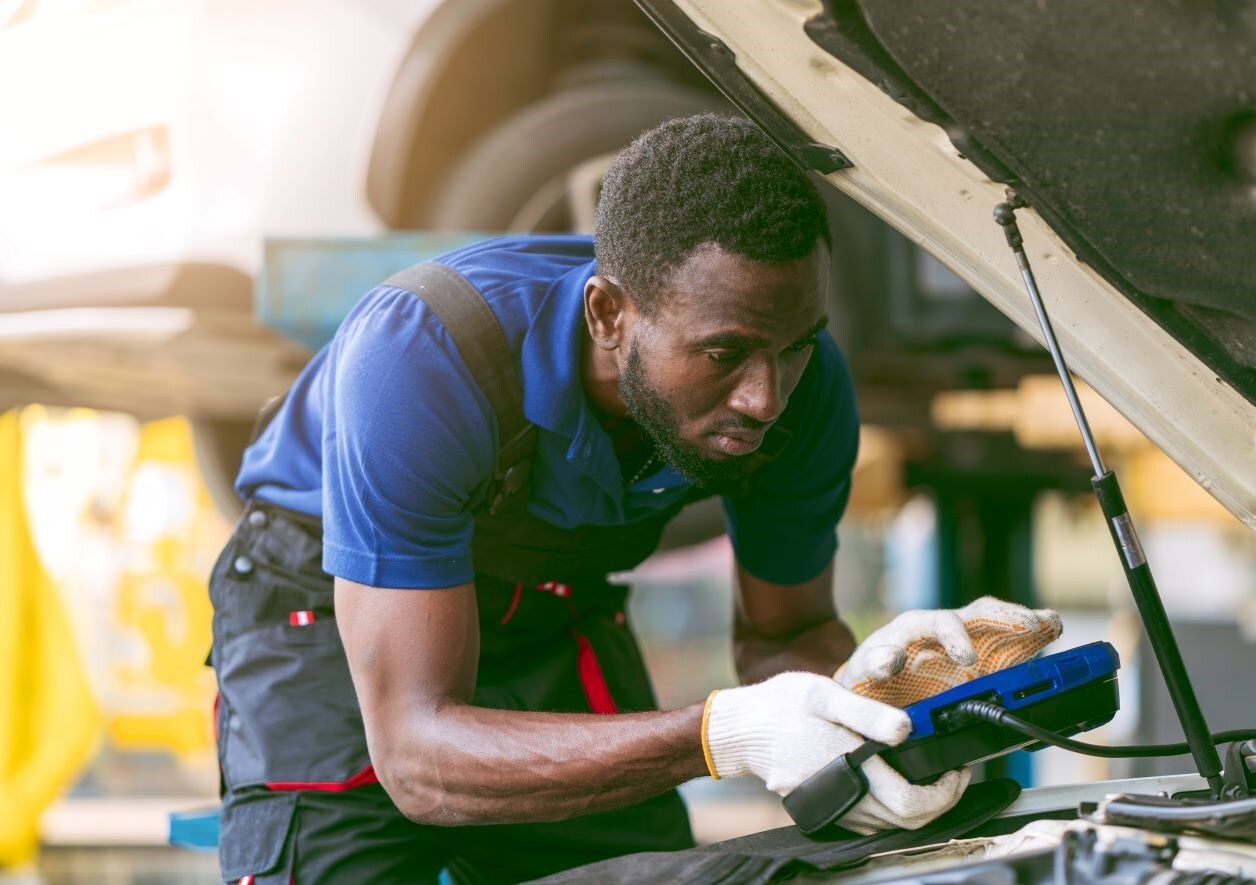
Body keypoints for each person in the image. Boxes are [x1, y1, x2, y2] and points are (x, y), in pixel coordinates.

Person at [208, 113, 1060, 884]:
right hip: (333, 625)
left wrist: (868, 718)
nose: (766, 398)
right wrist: (724, 733)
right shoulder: (425, 356)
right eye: (724, 353)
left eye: (794, 346)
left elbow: (784, 634)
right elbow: (420, 754)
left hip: (548, 612)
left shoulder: (807, 391)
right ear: (609, 314)